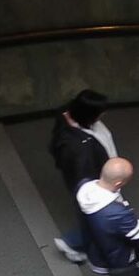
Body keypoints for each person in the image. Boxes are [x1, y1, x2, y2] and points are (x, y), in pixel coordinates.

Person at [46, 88, 114, 264]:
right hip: (91, 183)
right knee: (94, 218)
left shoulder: (68, 118)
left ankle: (75, 243)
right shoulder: (79, 148)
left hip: (84, 179)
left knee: (92, 218)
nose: (104, 114)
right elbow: (85, 174)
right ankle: (72, 244)